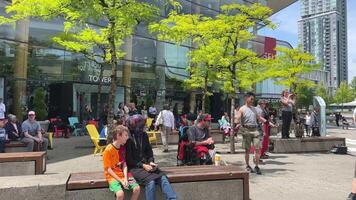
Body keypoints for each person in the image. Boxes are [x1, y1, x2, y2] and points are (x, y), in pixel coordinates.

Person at [125, 115, 177, 200]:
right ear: (134, 126)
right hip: (134, 167)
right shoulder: (128, 138)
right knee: (151, 181)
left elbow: (149, 151)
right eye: (141, 126)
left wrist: (151, 161)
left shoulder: (144, 135)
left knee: (163, 177)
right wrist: (143, 165)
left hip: (146, 165)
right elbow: (129, 160)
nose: (143, 128)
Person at [103, 125, 140, 200]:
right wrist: (121, 181)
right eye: (125, 135)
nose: (127, 137)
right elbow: (108, 170)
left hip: (123, 174)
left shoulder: (122, 148)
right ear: (118, 136)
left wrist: (125, 179)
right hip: (112, 176)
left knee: (137, 189)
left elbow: (124, 164)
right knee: (120, 195)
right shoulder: (108, 150)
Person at [235, 92, 267, 175]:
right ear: (246, 98)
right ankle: (247, 165)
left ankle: (256, 166)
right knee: (247, 150)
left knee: (257, 149)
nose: (253, 101)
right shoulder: (242, 109)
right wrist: (237, 120)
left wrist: (265, 121)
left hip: (255, 130)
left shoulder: (254, 109)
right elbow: (237, 118)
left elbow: (258, 117)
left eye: (253, 99)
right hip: (246, 130)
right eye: (251, 99)